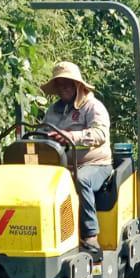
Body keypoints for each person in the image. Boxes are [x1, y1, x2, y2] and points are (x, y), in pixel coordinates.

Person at [39, 61, 112, 252]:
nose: (64, 88)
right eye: (60, 84)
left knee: (81, 179)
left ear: (77, 85)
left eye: (68, 83)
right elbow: (43, 132)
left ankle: (90, 235)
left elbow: (100, 134)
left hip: (95, 164)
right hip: (61, 165)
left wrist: (70, 136)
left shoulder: (93, 107)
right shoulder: (53, 111)